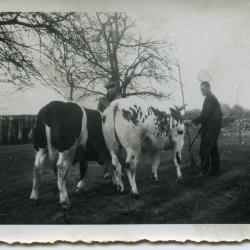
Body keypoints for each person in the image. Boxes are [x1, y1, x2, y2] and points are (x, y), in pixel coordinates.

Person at [188, 81, 222, 176]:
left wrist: (192, 121)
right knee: (213, 149)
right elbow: (208, 116)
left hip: (211, 130)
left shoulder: (209, 99)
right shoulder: (212, 98)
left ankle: (204, 170)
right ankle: (215, 170)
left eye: (202, 89)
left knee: (204, 149)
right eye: (200, 89)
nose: (201, 91)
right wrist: (202, 128)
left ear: (208, 88)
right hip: (212, 128)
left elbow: (205, 115)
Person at [98, 80, 120, 178]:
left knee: (120, 148)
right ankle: (108, 170)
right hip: (107, 127)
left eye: (112, 88)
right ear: (107, 89)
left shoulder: (120, 99)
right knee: (109, 149)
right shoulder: (102, 100)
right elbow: (98, 112)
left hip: (119, 127)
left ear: (115, 88)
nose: (111, 90)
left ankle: (119, 168)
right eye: (109, 88)